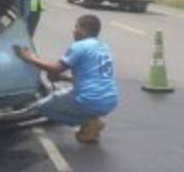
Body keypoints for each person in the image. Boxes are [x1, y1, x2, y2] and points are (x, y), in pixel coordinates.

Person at [14, 14, 118, 144]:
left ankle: (89, 123)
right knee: (65, 95)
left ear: (83, 30)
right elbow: (92, 77)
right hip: (110, 99)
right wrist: (62, 77)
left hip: (89, 100)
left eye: (76, 26)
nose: (73, 30)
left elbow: (55, 68)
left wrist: (28, 57)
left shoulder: (80, 46)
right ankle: (91, 120)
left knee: (41, 107)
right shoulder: (103, 47)